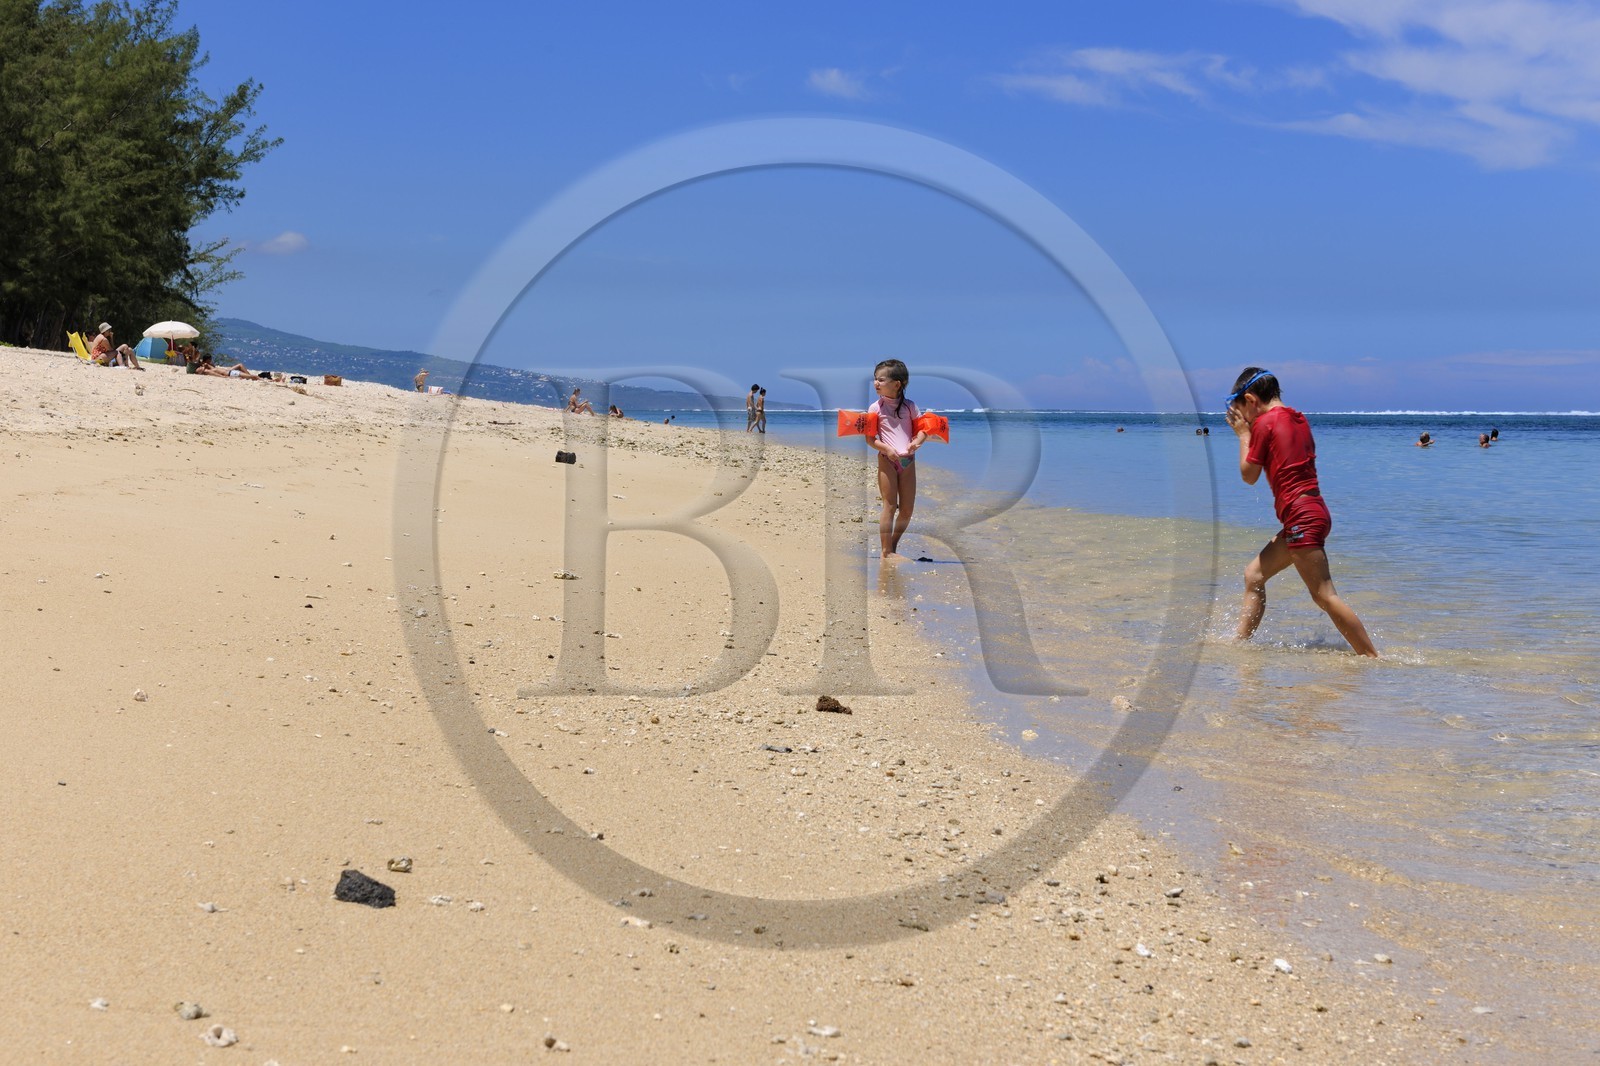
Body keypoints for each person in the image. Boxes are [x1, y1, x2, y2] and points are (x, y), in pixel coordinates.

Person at [1224, 367, 1377, 657]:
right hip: (1312, 511)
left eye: (1241, 410)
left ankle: (1371, 658)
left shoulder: (1263, 423)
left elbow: (1249, 475)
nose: (1242, 417)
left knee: (1324, 595)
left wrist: (1243, 435)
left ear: (1251, 399)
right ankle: (1239, 646)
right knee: (1254, 575)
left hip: (1301, 517)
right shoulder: (1298, 418)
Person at [867, 358, 929, 561]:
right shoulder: (875, 408)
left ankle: (892, 545)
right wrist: (886, 449)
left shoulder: (910, 407)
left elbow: (922, 431)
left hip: (908, 462)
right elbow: (870, 439)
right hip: (887, 460)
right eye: (875, 379)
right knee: (889, 505)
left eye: (881, 379)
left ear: (897, 384)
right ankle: (886, 551)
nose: (876, 383)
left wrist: (917, 442)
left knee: (907, 509)